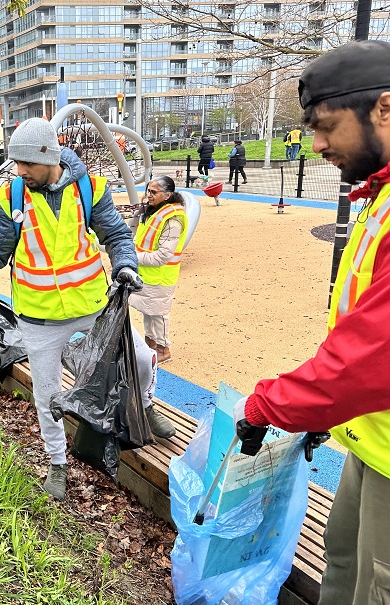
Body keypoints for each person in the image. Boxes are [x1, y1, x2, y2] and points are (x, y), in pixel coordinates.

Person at [0, 117, 177, 500]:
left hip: (90, 304)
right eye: (16, 165)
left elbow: (117, 236)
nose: (20, 172)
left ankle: (146, 403)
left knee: (139, 358)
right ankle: (57, 464)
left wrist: (125, 266)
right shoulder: (11, 197)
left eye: (27, 165)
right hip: (38, 315)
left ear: (50, 156)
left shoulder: (89, 189)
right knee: (47, 394)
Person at [232, 40, 390, 605]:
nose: (316, 143)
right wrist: (328, 412)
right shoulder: (381, 194)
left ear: (385, 109)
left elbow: (369, 359)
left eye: (327, 126)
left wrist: (270, 404)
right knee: (343, 559)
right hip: (372, 440)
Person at [128, 176, 187, 364]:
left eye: (154, 192)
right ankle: (150, 343)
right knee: (149, 311)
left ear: (167, 195)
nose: (149, 195)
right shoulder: (153, 213)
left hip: (161, 276)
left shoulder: (173, 220)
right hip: (148, 274)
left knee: (159, 313)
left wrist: (133, 255)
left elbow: (162, 256)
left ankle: (163, 349)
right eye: (148, 190)